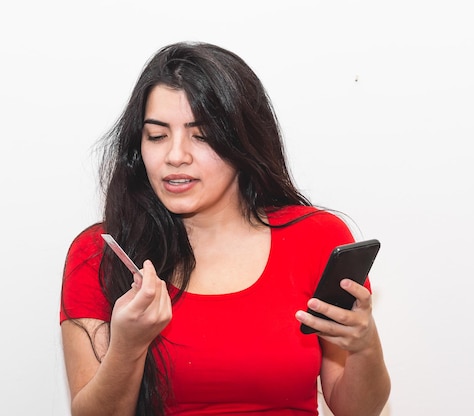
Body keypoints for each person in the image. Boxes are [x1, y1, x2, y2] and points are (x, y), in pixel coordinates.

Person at [60, 41, 390, 416]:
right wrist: (128, 347)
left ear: (243, 141)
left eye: (200, 135)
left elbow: (358, 411)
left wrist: (364, 345)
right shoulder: (99, 252)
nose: (175, 155)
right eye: (157, 135)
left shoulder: (318, 237)